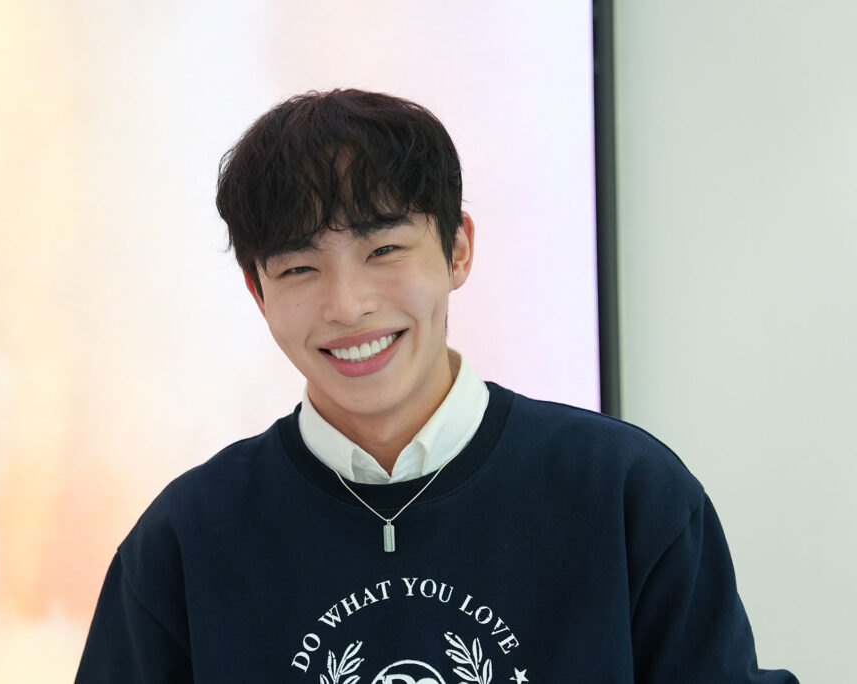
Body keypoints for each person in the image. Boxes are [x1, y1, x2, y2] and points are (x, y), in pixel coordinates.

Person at [75, 89, 797, 682]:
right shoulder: (184, 541)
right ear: (257, 292)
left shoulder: (627, 493)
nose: (347, 305)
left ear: (457, 250)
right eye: (299, 267)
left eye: (384, 249)